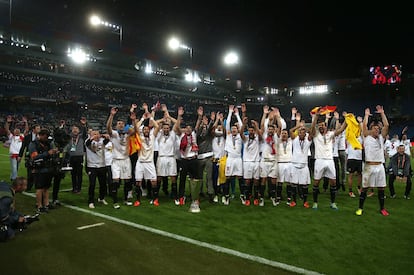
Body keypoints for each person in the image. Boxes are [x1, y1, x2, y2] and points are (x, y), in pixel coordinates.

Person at [310, 109, 347, 210]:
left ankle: (333, 203)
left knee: (333, 182)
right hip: (319, 160)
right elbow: (312, 127)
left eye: (323, 125)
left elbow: (341, 130)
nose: (321, 126)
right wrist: (316, 117)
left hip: (330, 160)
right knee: (316, 182)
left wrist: (346, 119)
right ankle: (315, 203)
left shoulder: (330, 134)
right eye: (320, 125)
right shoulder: (316, 135)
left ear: (326, 127)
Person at [356, 105, 390, 216]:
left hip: (379, 166)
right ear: (371, 130)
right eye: (375, 129)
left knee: (381, 189)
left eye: (378, 129)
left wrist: (382, 113)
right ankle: (360, 208)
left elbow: (387, 125)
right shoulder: (366, 137)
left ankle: (382, 208)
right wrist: (366, 116)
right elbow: (364, 126)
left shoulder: (381, 138)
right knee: (365, 188)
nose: (377, 130)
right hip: (369, 166)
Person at [174, 106, 202, 213]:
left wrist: (199, 116)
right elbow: (176, 128)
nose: (189, 129)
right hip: (184, 160)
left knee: (195, 179)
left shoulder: (194, 133)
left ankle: (195, 197)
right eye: (187, 128)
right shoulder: (181, 134)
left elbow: (198, 124)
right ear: (185, 129)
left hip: (193, 159)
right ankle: (181, 196)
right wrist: (179, 116)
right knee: (182, 179)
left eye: (190, 128)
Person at [106, 107, 133, 209]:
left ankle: (126, 200)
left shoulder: (127, 133)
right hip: (116, 161)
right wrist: (112, 115)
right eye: (119, 124)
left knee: (127, 181)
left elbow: (133, 130)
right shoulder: (114, 134)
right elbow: (108, 127)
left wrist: (127, 125)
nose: (120, 125)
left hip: (126, 160)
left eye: (122, 123)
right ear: (116, 125)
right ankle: (115, 201)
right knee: (116, 181)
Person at [28, 129, 58, 213]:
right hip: (39, 169)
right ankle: (39, 205)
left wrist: (54, 152)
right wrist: (48, 153)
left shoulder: (48, 143)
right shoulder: (33, 144)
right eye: (45, 137)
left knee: (46, 188)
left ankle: (46, 204)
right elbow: (34, 157)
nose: (46, 139)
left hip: (48, 168)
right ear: (40, 135)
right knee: (39, 188)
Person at [134, 110, 160, 206]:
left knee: (154, 181)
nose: (146, 131)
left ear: (149, 130)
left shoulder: (153, 136)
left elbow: (157, 126)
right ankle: (138, 200)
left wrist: (151, 118)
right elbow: (136, 127)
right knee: (138, 182)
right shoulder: (140, 137)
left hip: (149, 162)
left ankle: (155, 199)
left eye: (147, 129)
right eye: (144, 129)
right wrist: (142, 118)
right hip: (140, 162)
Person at [0, 177, 38, 242]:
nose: (26, 187)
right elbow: (2, 217)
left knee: (19, 215)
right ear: (19, 186)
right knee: (10, 234)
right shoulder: (7, 198)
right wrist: (17, 219)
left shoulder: (4, 184)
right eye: (25, 185)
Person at [289, 113, 313, 208]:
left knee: (304, 185)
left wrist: (305, 128)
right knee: (294, 184)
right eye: (300, 132)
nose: (301, 133)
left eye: (303, 132)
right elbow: (291, 130)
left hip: (304, 165)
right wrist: (298, 126)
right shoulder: (294, 140)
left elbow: (312, 132)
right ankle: (294, 201)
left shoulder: (308, 140)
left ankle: (305, 201)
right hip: (294, 164)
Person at [239, 117, 261, 206]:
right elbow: (241, 134)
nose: (251, 132)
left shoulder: (257, 139)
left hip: (256, 162)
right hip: (247, 162)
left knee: (256, 180)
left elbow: (260, 134)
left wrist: (256, 126)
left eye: (253, 130)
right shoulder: (246, 139)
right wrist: (244, 125)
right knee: (247, 181)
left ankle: (256, 198)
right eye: (250, 130)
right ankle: (247, 198)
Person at [195, 106, 215, 202]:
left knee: (209, 177)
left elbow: (209, 129)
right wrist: (199, 118)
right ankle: (199, 192)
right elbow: (196, 129)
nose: (203, 126)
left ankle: (210, 193)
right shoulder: (198, 135)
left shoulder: (209, 133)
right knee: (199, 177)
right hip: (200, 157)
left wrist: (211, 121)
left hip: (208, 157)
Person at [85, 130, 109, 208]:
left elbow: (107, 140)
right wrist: (92, 138)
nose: (96, 135)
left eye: (97, 134)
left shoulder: (102, 141)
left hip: (102, 165)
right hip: (92, 166)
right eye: (94, 134)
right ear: (91, 135)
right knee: (92, 184)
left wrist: (106, 136)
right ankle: (90, 201)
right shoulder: (88, 141)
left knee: (103, 184)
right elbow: (88, 144)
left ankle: (101, 198)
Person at [5, 115, 28, 182]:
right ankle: (15, 180)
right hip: (13, 154)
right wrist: (7, 122)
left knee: (16, 167)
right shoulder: (11, 137)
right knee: (14, 167)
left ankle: (12, 177)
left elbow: (26, 130)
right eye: (16, 130)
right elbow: (7, 129)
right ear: (14, 131)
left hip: (19, 155)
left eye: (18, 130)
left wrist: (26, 122)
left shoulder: (22, 136)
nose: (17, 130)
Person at [19, 124, 41, 191]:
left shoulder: (41, 137)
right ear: (33, 129)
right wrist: (20, 155)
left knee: (38, 172)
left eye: (39, 128)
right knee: (30, 172)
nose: (39, 130)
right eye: (37, 128)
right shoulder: (27, 137)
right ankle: (29, 187)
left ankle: (38, 185)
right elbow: (23, 146)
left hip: (39, 156)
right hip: (29, 157)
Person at [68, 120, 87, 194]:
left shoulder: (81, 137)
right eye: (73, 129)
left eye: (76, 129)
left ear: (79, 130)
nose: (75, 130)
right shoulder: (69, 137)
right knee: (73, 173)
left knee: (79, 173)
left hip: (79, 157)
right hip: (71, 157)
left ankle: (78, 188)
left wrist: (84, 125)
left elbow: (85, 133)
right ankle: (73, 187)